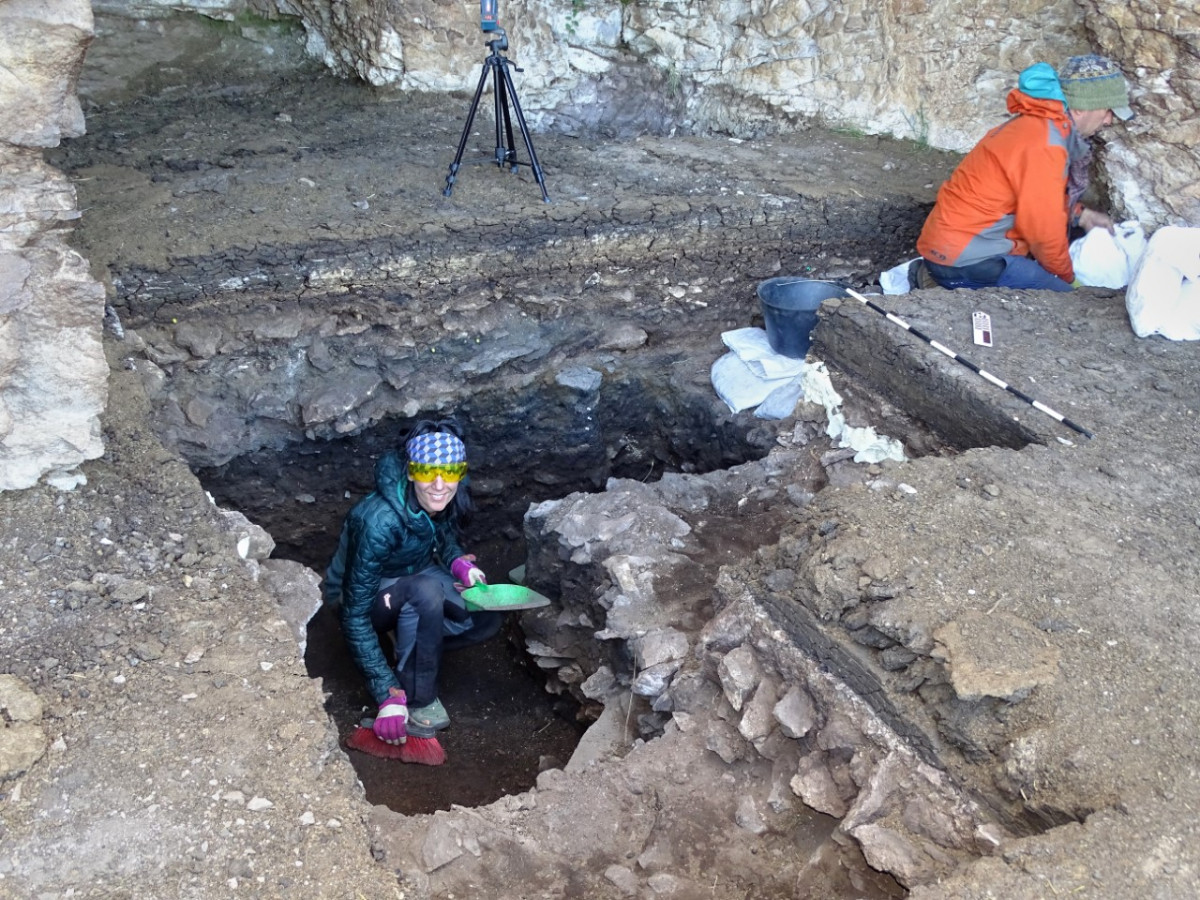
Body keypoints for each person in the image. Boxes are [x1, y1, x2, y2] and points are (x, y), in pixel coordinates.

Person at [323, 418, 502, 763]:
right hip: (360, 596)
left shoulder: (442, 498)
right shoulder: (377, 521)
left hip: (414, 574)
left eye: (450, 473)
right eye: (427, 472)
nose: (439, 484)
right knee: (424, 594)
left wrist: (458, 564)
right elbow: (354, 615)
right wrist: (385, 692)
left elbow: (444, 539)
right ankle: (417, 697)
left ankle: (413, 638)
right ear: (410, 472)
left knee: (483, 615)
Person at [915, 53, 1135, 291]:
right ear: (1082, 108)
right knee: (1067, 297)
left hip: (953, 247)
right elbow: (1043, 231)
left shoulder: (1038, 127)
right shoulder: (1045, 144)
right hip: (965, 259)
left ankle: (936, 278)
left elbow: (1039, 199)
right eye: (1108, 110)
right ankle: (943, 284)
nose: (1109, 120)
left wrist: (1080, 215)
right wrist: (1069, 280)